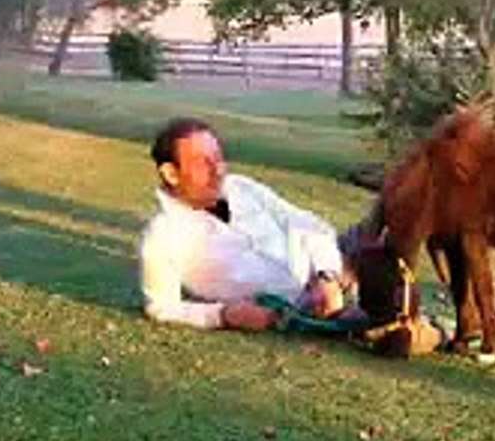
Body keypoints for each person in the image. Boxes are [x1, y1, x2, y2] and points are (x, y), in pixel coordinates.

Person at [138, 118, 351, 332]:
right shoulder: (162, 236)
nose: (218, 171)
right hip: (284, 311)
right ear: (171, 174)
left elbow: (308, 224)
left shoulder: (241, 187)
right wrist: (223, 315)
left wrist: (326, 276)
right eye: (202, 163)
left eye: (218, 158)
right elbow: (161, 307)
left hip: (330, 277)